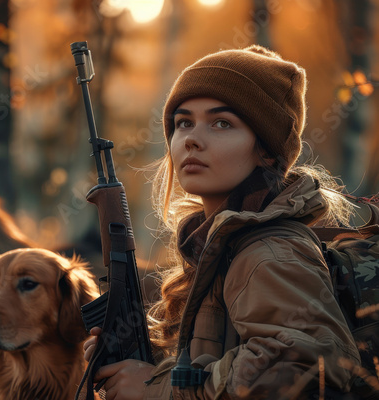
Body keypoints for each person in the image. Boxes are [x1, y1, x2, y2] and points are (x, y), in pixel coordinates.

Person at [83, 45, 361, 400]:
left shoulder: (268, 251)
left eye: (221, 123)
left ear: (267, 151)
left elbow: (302, 369)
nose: (192, 140)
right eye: (183, 122)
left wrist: (161, 388)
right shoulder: (219, 246)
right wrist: (144, 362)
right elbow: (219, 357)